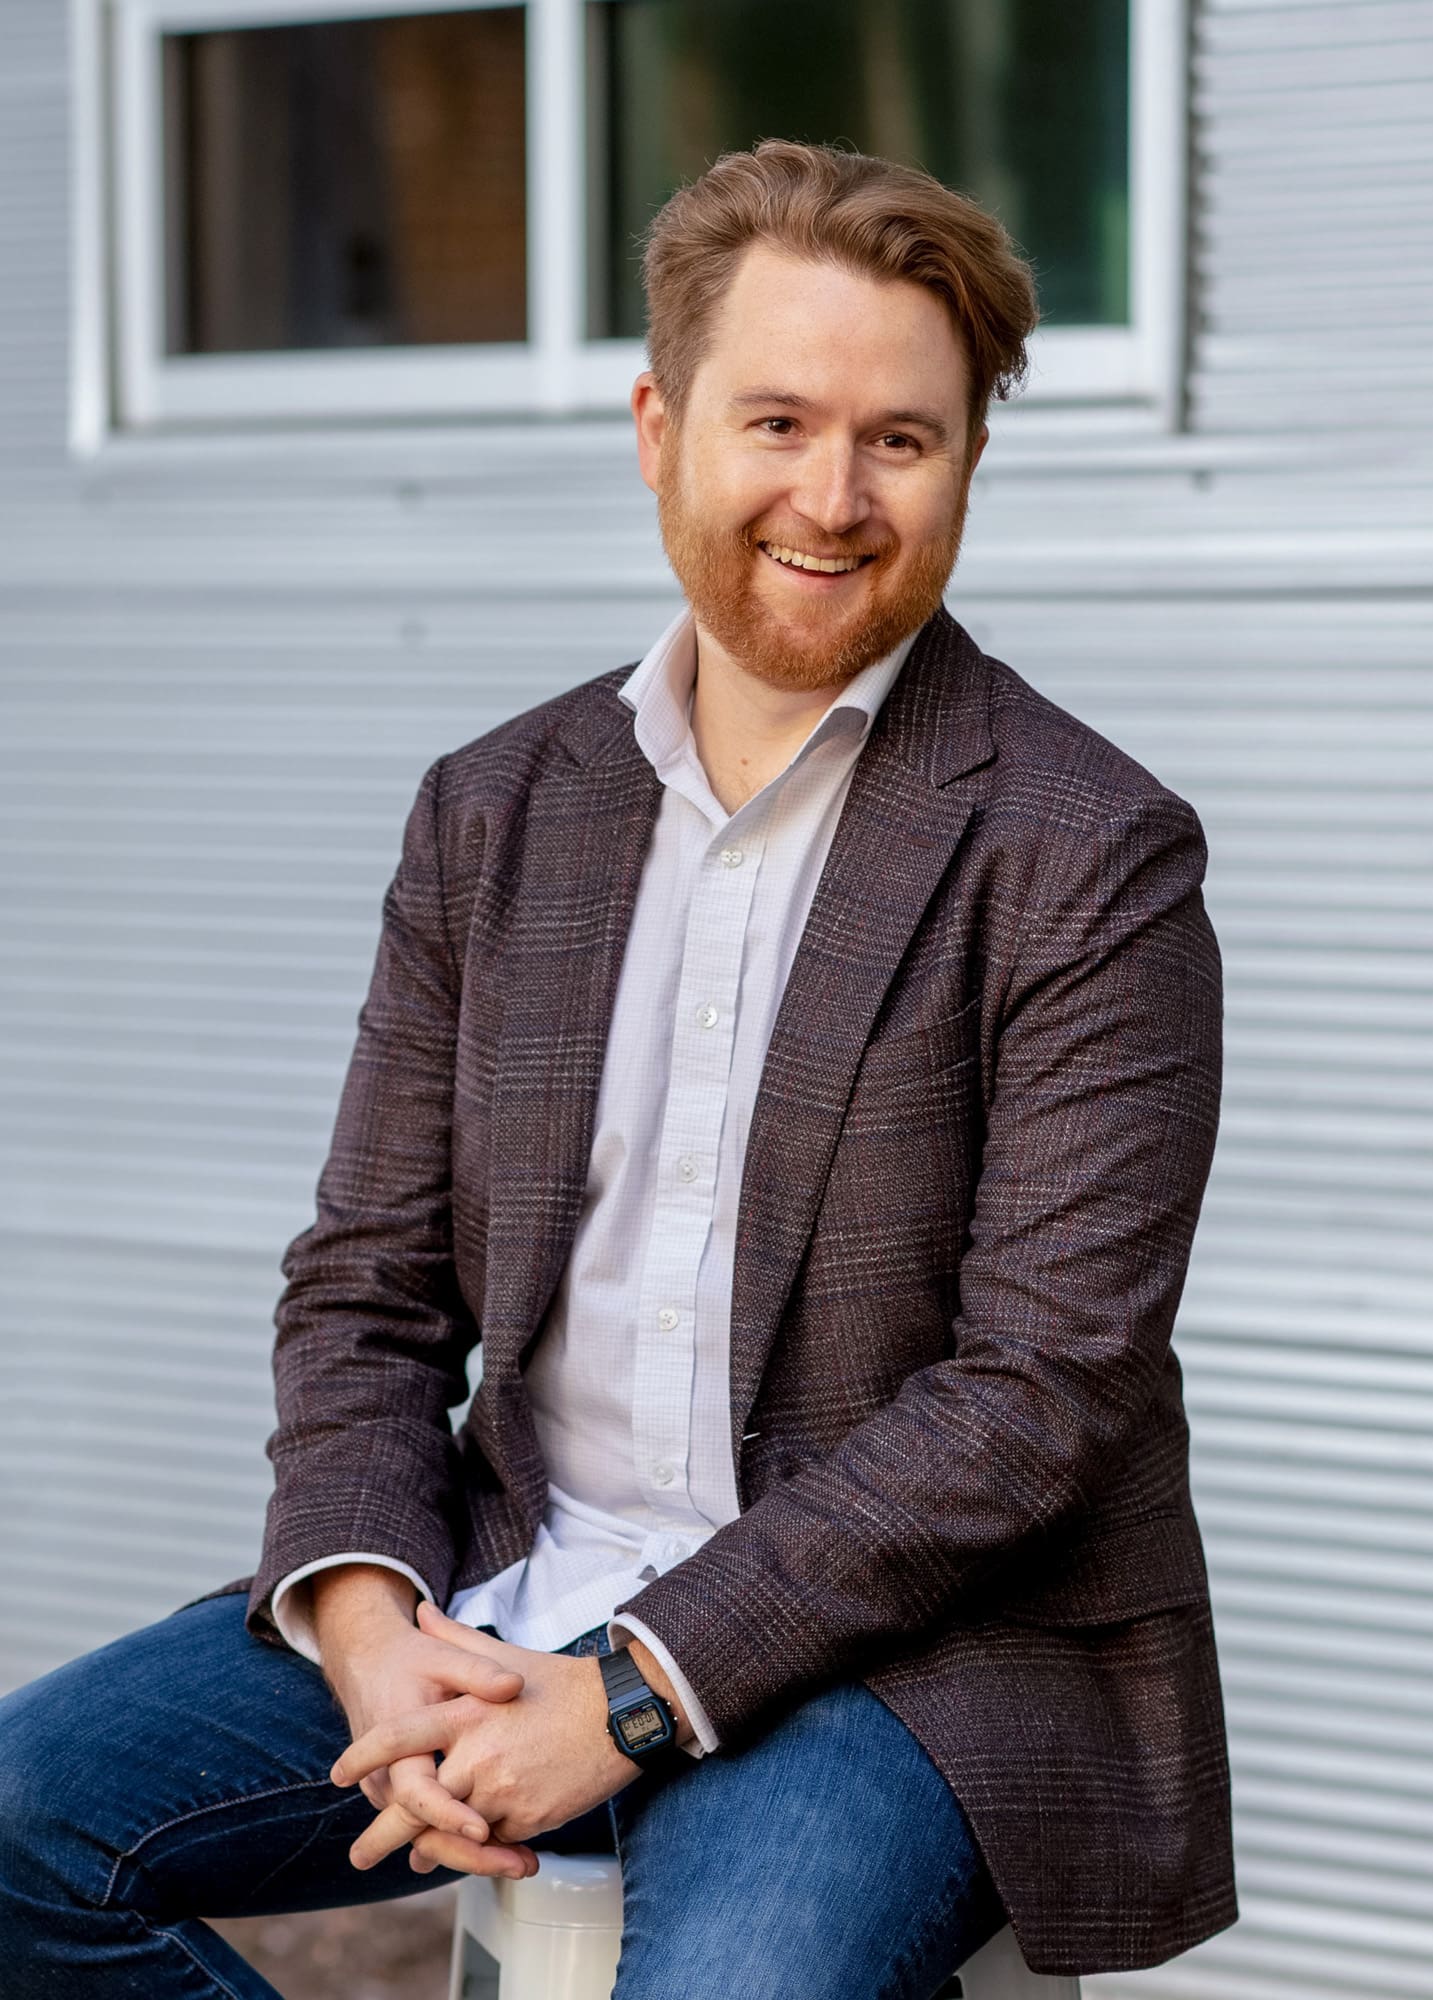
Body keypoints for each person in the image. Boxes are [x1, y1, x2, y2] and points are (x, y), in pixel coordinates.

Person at [0, 140, 1236, 1997]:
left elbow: (1038, 1396)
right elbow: (368, 1283)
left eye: (901, 438)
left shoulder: (1090, 851)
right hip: (512, 1565)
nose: (833, 495)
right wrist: (363, 1615)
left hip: (906, 1650)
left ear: (969, 460)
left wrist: (631, 1695)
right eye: (778, 422)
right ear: (659, 428)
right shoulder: (493, 814)